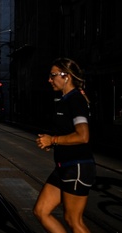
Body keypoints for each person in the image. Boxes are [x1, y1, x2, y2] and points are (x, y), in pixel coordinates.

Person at [33, 58, 96, 232]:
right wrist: (52, 142)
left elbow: (83, 136)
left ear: (66, 76)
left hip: (77, 167)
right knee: (41, 211)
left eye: (53, 76)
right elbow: (68, 131)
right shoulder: (65, 100)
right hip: (64, 167)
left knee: (73, 220)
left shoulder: (75, 99)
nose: (49, 80)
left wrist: (53, 140)